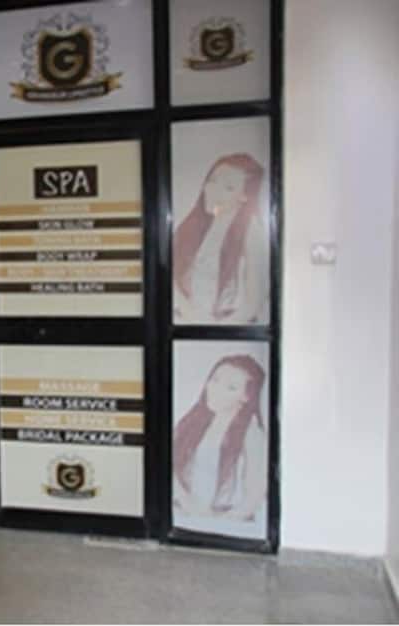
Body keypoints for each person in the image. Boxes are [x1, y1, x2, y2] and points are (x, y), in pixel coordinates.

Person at [173, 354, 267, 527]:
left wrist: (217, 524)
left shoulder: (252, 434)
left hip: (227, 521)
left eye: (230, 387)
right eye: (215, 380)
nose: (215, 389)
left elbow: (254, 497)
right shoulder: (193, 422)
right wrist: (188, 505)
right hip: (184, 515)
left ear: (246, 396)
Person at [173, 153, 268, 324]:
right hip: (187, 322)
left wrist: (211, 328)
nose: (214, 191)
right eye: (212, 181)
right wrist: (189, 316)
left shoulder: (251, 230)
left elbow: (252, 305)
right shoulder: (198, 225)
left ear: (244, 196)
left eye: (228, 187)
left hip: (225, 327)